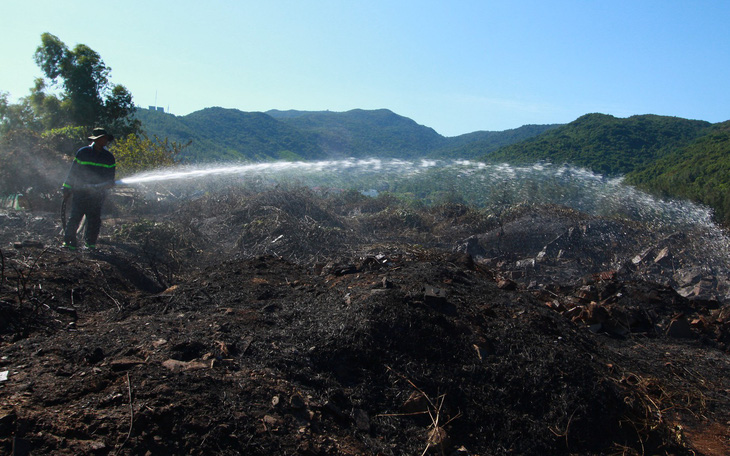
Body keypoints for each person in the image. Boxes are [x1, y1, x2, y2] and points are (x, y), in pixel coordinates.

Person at [62, 128, 116, 250]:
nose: (105, 141)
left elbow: (110, 178)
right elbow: (73, 172)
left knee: (94, 220)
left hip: (97, 195)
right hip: (80, 192)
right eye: (103, 138)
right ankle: (69, 242)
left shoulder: (109, 157)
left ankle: (90, 244)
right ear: (96, 140)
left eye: (106, 138)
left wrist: (107, 184)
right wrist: (66, 188)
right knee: (75, 217)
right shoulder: (83, 153)